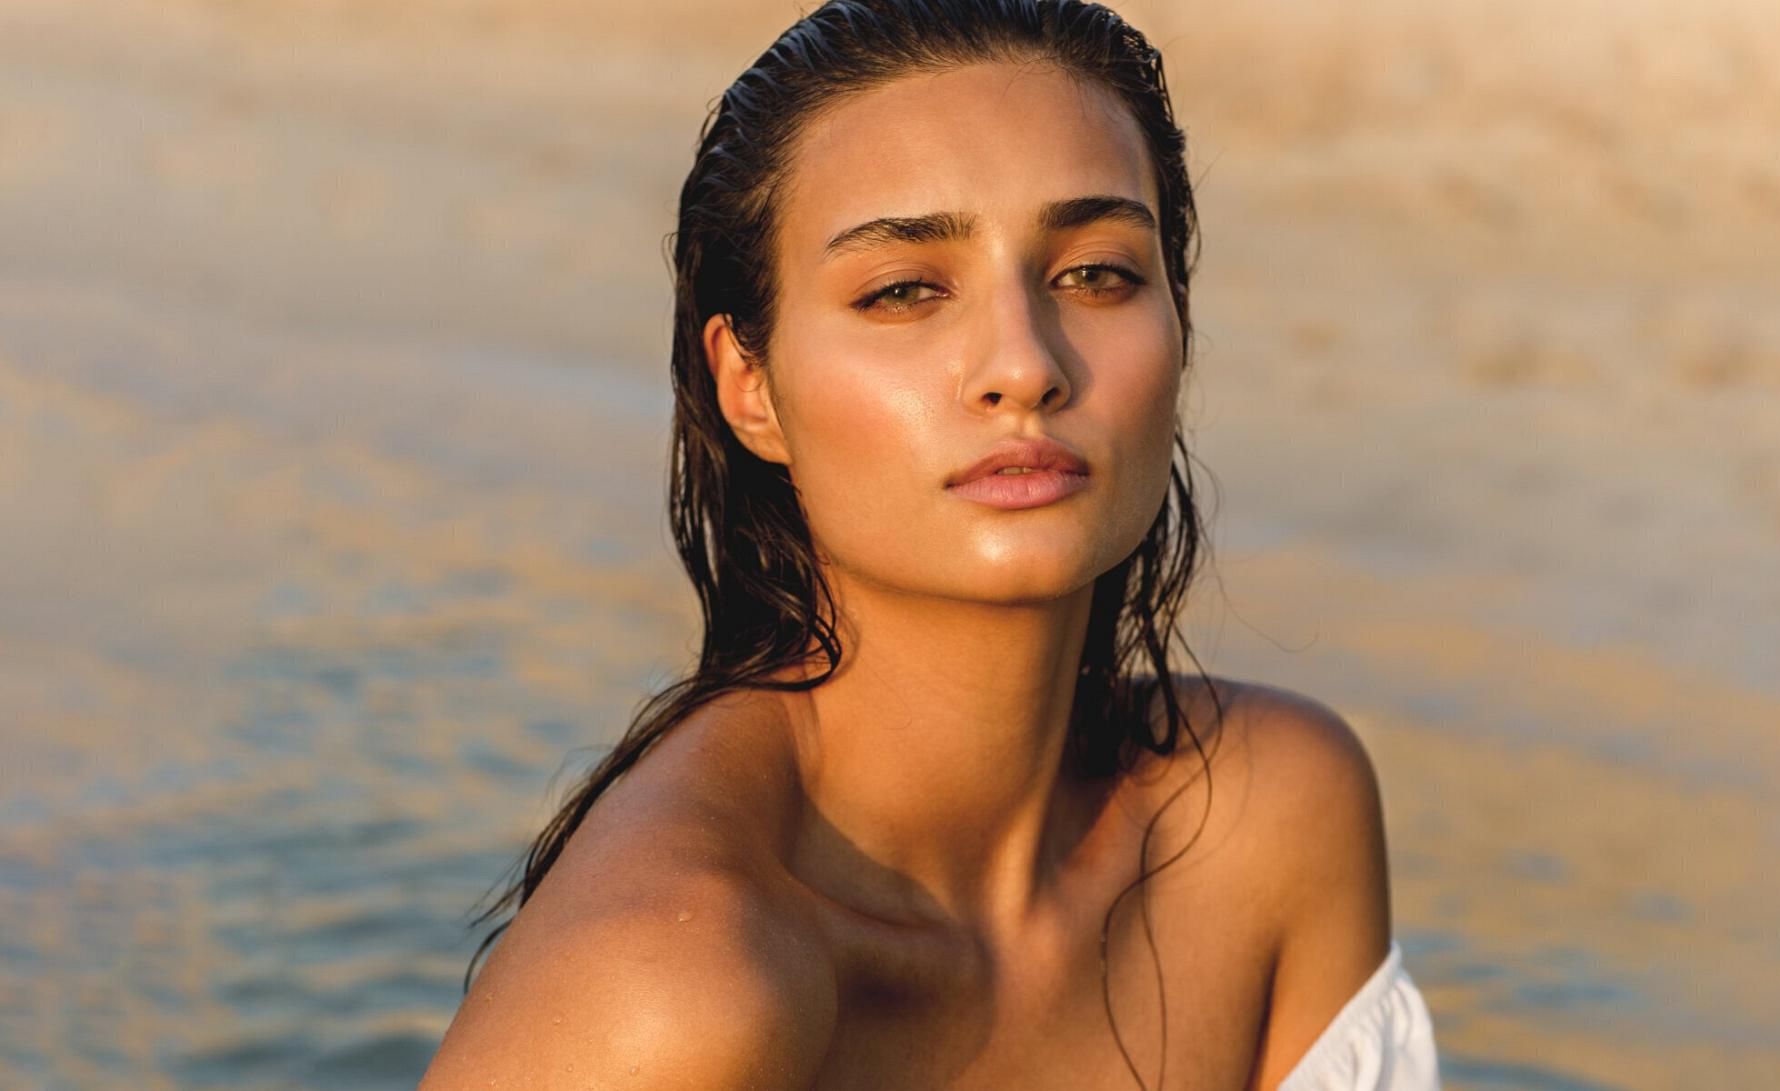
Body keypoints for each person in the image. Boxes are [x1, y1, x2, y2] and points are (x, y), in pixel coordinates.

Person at [421, 1, 1438, 1087]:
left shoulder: (1267, 818)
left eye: (1096, 273)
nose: (1022, 363)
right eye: (903, 290)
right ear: (749, 387)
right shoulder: (674, 984)